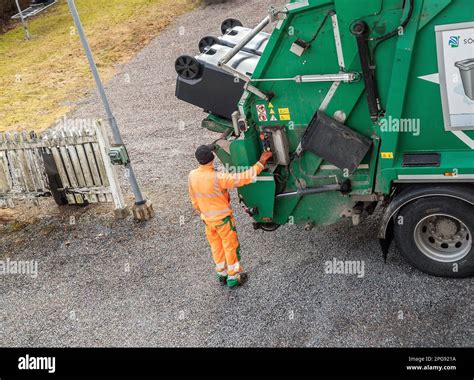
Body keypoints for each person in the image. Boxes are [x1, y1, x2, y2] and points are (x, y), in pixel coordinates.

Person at [188, 144, 272, 288]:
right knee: (230, 246)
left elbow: (194, 201)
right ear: (212, 158)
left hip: (208, 220)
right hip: (223, 221)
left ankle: (222, 273)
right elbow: (243, 178)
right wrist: (261, 162)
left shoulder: (192, 176)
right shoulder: (217, 177)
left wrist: (203, 214)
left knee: (216, 246)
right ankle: (234, 277)